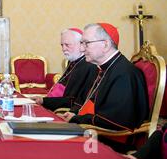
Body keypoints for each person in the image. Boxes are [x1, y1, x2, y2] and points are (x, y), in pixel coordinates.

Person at [60, 23, 149, 152]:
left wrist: (76, 119)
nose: (82, 48)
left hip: (110, 140)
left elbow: (115, 119)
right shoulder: (104, 68)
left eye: (86, 43)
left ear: (106, 45)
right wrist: (74, 113)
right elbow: (89, 101)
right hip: (92, 131)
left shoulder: (124, 73)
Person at [34, 28, 97, 112]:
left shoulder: (88, 66)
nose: (63, 49)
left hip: (64, 112)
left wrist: (43, 101)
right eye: (62, 45)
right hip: (54, 106)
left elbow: (72, 101)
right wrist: (43, 100)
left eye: (67, 45)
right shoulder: (72, 62)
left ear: (81, 45)